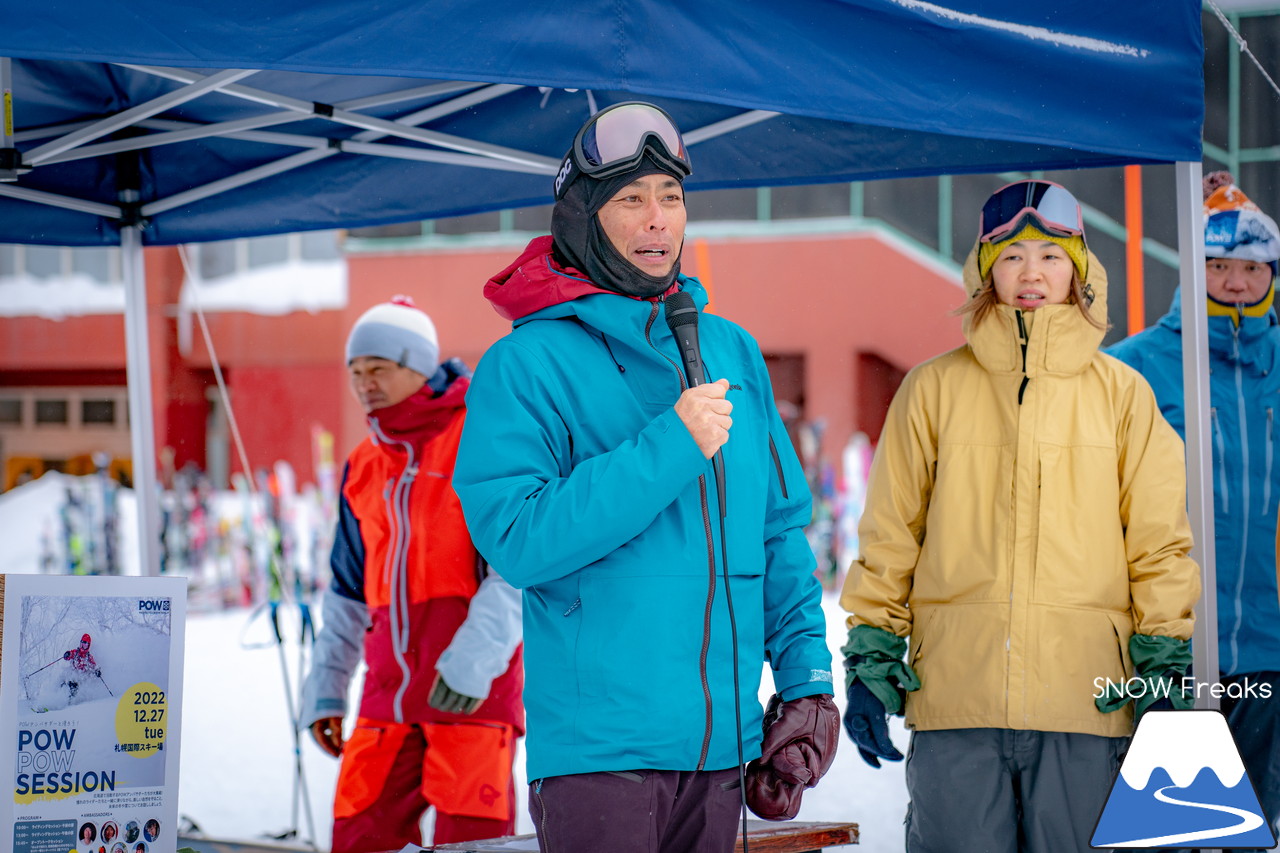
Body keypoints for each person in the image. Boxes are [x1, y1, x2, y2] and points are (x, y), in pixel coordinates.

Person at [453, 101, 839, 853]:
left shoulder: (733, 352)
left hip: (724, 754)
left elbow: (780, 533)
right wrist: (669, 445)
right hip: (601, 760)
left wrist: (806, 680)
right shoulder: (525, 364)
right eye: (631, 200)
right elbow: (518, 540)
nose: (657, 220)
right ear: (586, 217)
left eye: (671, 197)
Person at [839, 179, 1201, 852]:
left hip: (1088, 704)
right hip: (957, 697)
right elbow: (890, 537)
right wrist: (870, 663)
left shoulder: (1123, 396)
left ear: (1079, 271)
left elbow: (1158, 545)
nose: (1031, 273)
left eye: (1050, 256)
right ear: (984, 271)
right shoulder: (932, 389)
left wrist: (1163, 662)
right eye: (1010, 256)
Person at [300, 297, 524, 852]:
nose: (364, 383)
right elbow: (349, 590)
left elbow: (517, 567)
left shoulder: (481, 438)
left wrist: (473, 663)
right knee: (357, 837)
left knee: (471, 848)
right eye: (355, 371)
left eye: (379, 368)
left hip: (470, 696)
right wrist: (327, 688)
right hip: (386, 697)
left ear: (419, 367)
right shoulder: (364, 463)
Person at [1108, 171, 1280, 840]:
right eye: (1218, 265)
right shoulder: (1134, 367)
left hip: (1268, 648)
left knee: (1257, 830)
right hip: (1168, 654)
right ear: (1192, 266)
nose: (1236, 282)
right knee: (1172, 831)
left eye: (1251, 267)